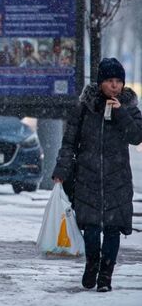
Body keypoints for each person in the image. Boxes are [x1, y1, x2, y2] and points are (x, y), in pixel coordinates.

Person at [52, 58, 142, 292]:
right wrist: (61, 170)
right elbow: (69, 142)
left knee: (113, 230)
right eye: (109, 81)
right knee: (91, 230)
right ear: (100, 82)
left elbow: (136, 136)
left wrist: (121, 113)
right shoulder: (85, 108)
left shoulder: (129, 107)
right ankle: (92, 264)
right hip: (87, 179)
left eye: (118, 81)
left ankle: (105, 276)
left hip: (117, 180)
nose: (114, 86)